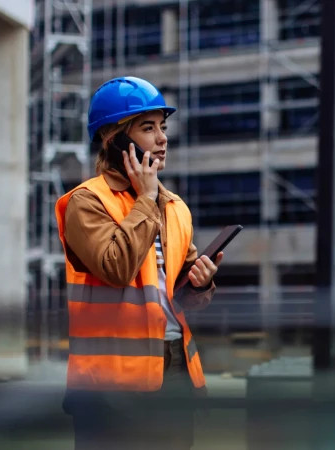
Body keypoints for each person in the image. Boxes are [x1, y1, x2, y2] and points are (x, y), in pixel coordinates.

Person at [54, 76, 223, 449]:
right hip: (108, 385)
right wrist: (146, 200)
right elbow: (116, 268)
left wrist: (200, 284)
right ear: (113, 141)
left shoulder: (174, 207)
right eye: (148, 128)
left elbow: (177, 300)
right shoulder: (87, 203)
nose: (162, 138)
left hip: (174, 368)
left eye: (163, 127)